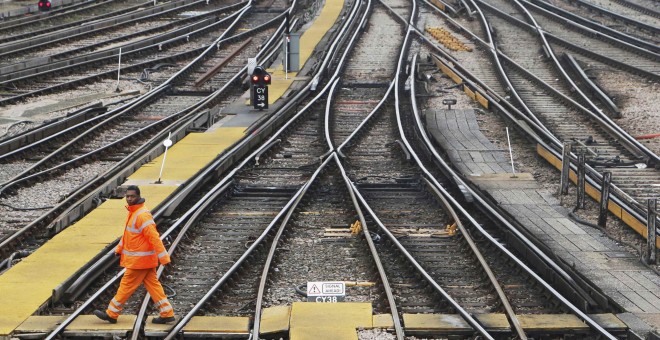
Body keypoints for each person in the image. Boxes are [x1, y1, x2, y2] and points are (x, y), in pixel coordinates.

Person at [94, 185, 175, 324]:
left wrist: (164, 256)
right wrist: (119, 249)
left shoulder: (141, 215)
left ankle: (112, 314)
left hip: (139, 261)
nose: (129, 199)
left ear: (139, 196)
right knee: (154, 286)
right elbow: (128, 236)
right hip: (144, 260)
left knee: (125, 286)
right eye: (128, 196)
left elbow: (154, 237)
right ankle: (167, 313)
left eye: (132, 196)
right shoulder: (133, 212)